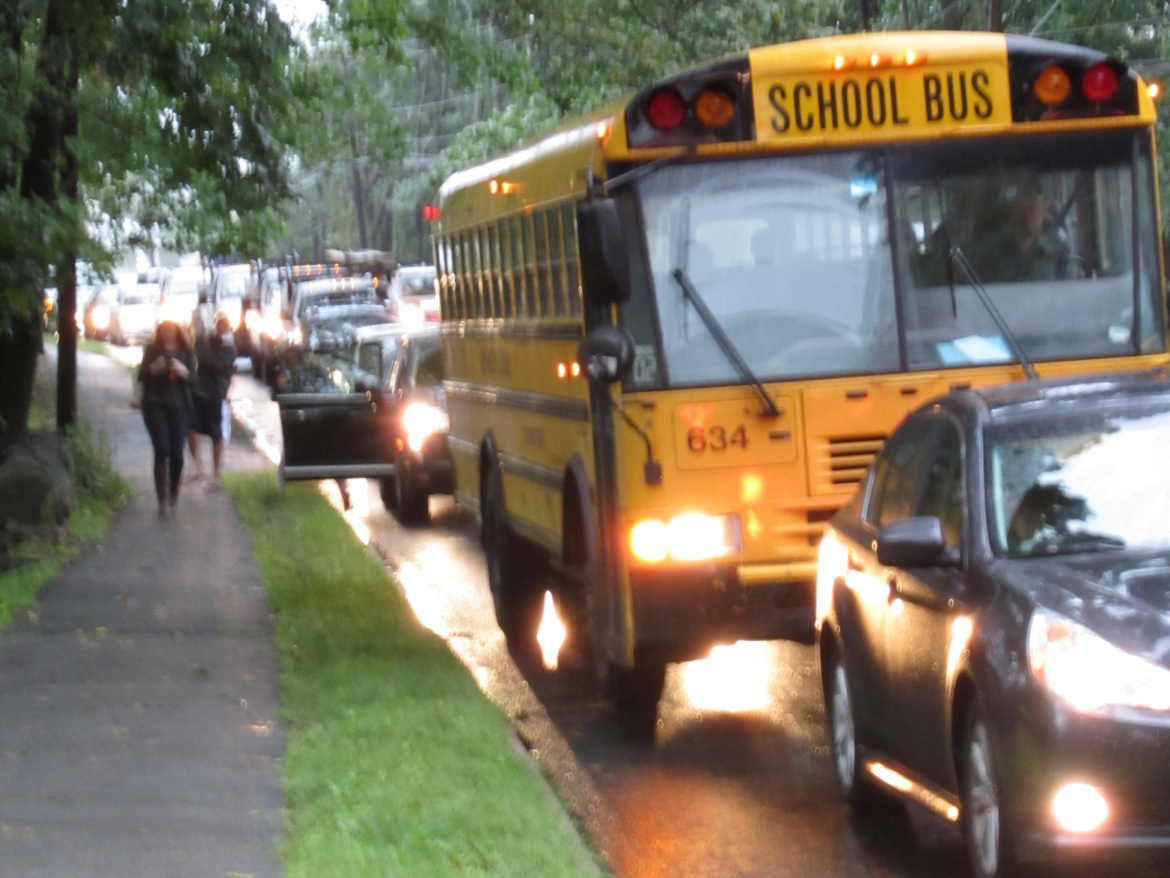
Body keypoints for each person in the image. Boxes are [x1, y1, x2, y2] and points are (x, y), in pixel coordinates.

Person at [138, 320, 195, 516]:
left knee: (177, 453)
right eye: (164, 332)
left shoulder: (186, 353)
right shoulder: (152, 350)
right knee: (161, 449)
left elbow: (195, 379)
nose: (168, 335)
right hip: (155, 404)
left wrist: (184, 371)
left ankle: (173, 492)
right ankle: (161, 498)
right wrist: (156, 367)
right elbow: (142, 374)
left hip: (179, 406)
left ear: (177, 333)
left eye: (171, 331)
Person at [188, 311, 237, 490]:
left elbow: (213, 364)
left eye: (224, 326)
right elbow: (198, 352)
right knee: (190, 427)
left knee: (216, 435)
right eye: (218, 326)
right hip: (200, 391)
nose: (220, 330)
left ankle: (216, 475)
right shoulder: (207, 342)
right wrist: (202, 341)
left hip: (216, 393)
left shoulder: (229, 347)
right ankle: (197, 466)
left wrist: (206, 346)